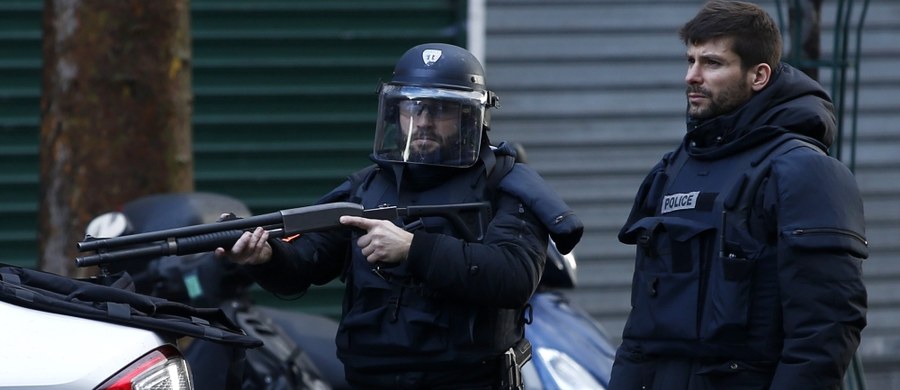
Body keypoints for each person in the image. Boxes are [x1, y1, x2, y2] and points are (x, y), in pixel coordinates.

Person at [217, 42, 583, 389]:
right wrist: (264, 258)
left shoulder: (504, 185)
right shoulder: (367, 186)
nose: (423, 120)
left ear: (471, 117)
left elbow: (514, 278)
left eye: (440, 110)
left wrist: (414, 248)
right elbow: (305, 264)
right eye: (412, 107)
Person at [608, 1, 868, 389]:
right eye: (691, 60)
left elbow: (825, 331)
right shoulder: (673, 168)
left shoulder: (803, 171)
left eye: (712, 63)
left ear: (758, 75)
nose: (691, 77)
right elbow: (642, 328)